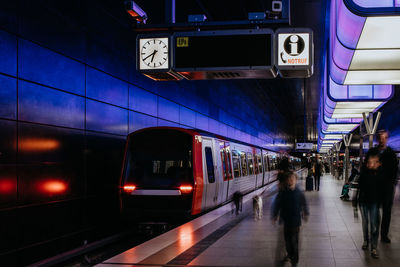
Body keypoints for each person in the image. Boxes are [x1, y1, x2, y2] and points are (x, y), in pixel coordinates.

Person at [272, 172, 309, 267]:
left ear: (296, 180)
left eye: (293, 179)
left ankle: (294, 261)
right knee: (288, 243)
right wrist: (275, 215)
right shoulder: (283, 192)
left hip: (296, 222)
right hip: (286, 222)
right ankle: (290, 254)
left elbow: (304, 203)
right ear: (287, 180)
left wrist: (306, 212)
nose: (291, 181)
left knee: (295, 243)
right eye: (289, 179)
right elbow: (277, 204)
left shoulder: (299, 192)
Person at [353, 149, 382, 259]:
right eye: (370, 162)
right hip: (364, 202)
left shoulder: (380, 174)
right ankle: (366, 241)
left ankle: (374, 247)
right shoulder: (363, 174)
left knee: (374, 226)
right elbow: (358, 189)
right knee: (366, 224)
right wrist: (355, 202)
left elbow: (383, 189)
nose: (372, 164)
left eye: (374, 162)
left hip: (374, 202)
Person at [376, 130, 398, 243]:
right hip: (375, 186)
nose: (382, 140)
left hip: (387, 187)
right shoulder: (373, 152)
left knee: (386, 211)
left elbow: (395, 170)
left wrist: (392, 183)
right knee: (374, 210)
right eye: (380, 137)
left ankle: (384, 234)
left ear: (387, 139)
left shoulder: (391, 154)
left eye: (384, 138)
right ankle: (374, 233)